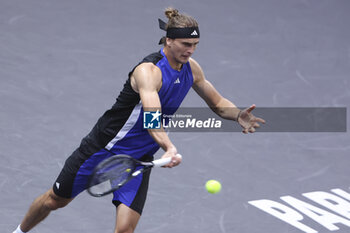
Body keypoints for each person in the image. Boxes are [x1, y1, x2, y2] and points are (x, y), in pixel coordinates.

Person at [13, 7, 265, 233]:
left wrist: (237, 114)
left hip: (139, 159)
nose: (191, 49)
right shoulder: (148, 71)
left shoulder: (192, 68)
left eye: (195, 44)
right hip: (102, 149)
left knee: (124, 229)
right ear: (169, 40)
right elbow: (151, 119)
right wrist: (169, 147)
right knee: (54, 201)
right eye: (186, 43)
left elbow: (218, 104)